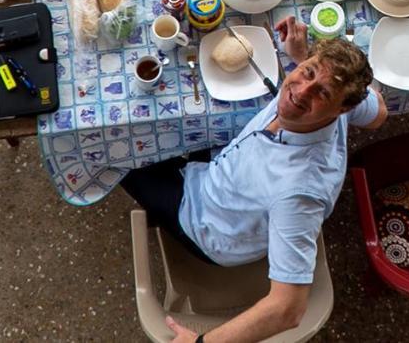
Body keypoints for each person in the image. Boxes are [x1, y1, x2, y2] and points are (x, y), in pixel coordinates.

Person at [120, 17, 388, 343]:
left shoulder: (298, 193)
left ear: (341, 108)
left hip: (205, 221)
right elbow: (379, 114)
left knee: (118, 152)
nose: (300, 92)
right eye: (308, 71)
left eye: (322, 92)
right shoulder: (341, 104)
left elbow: (288, 309)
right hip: (222, 168)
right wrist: (302, 55)